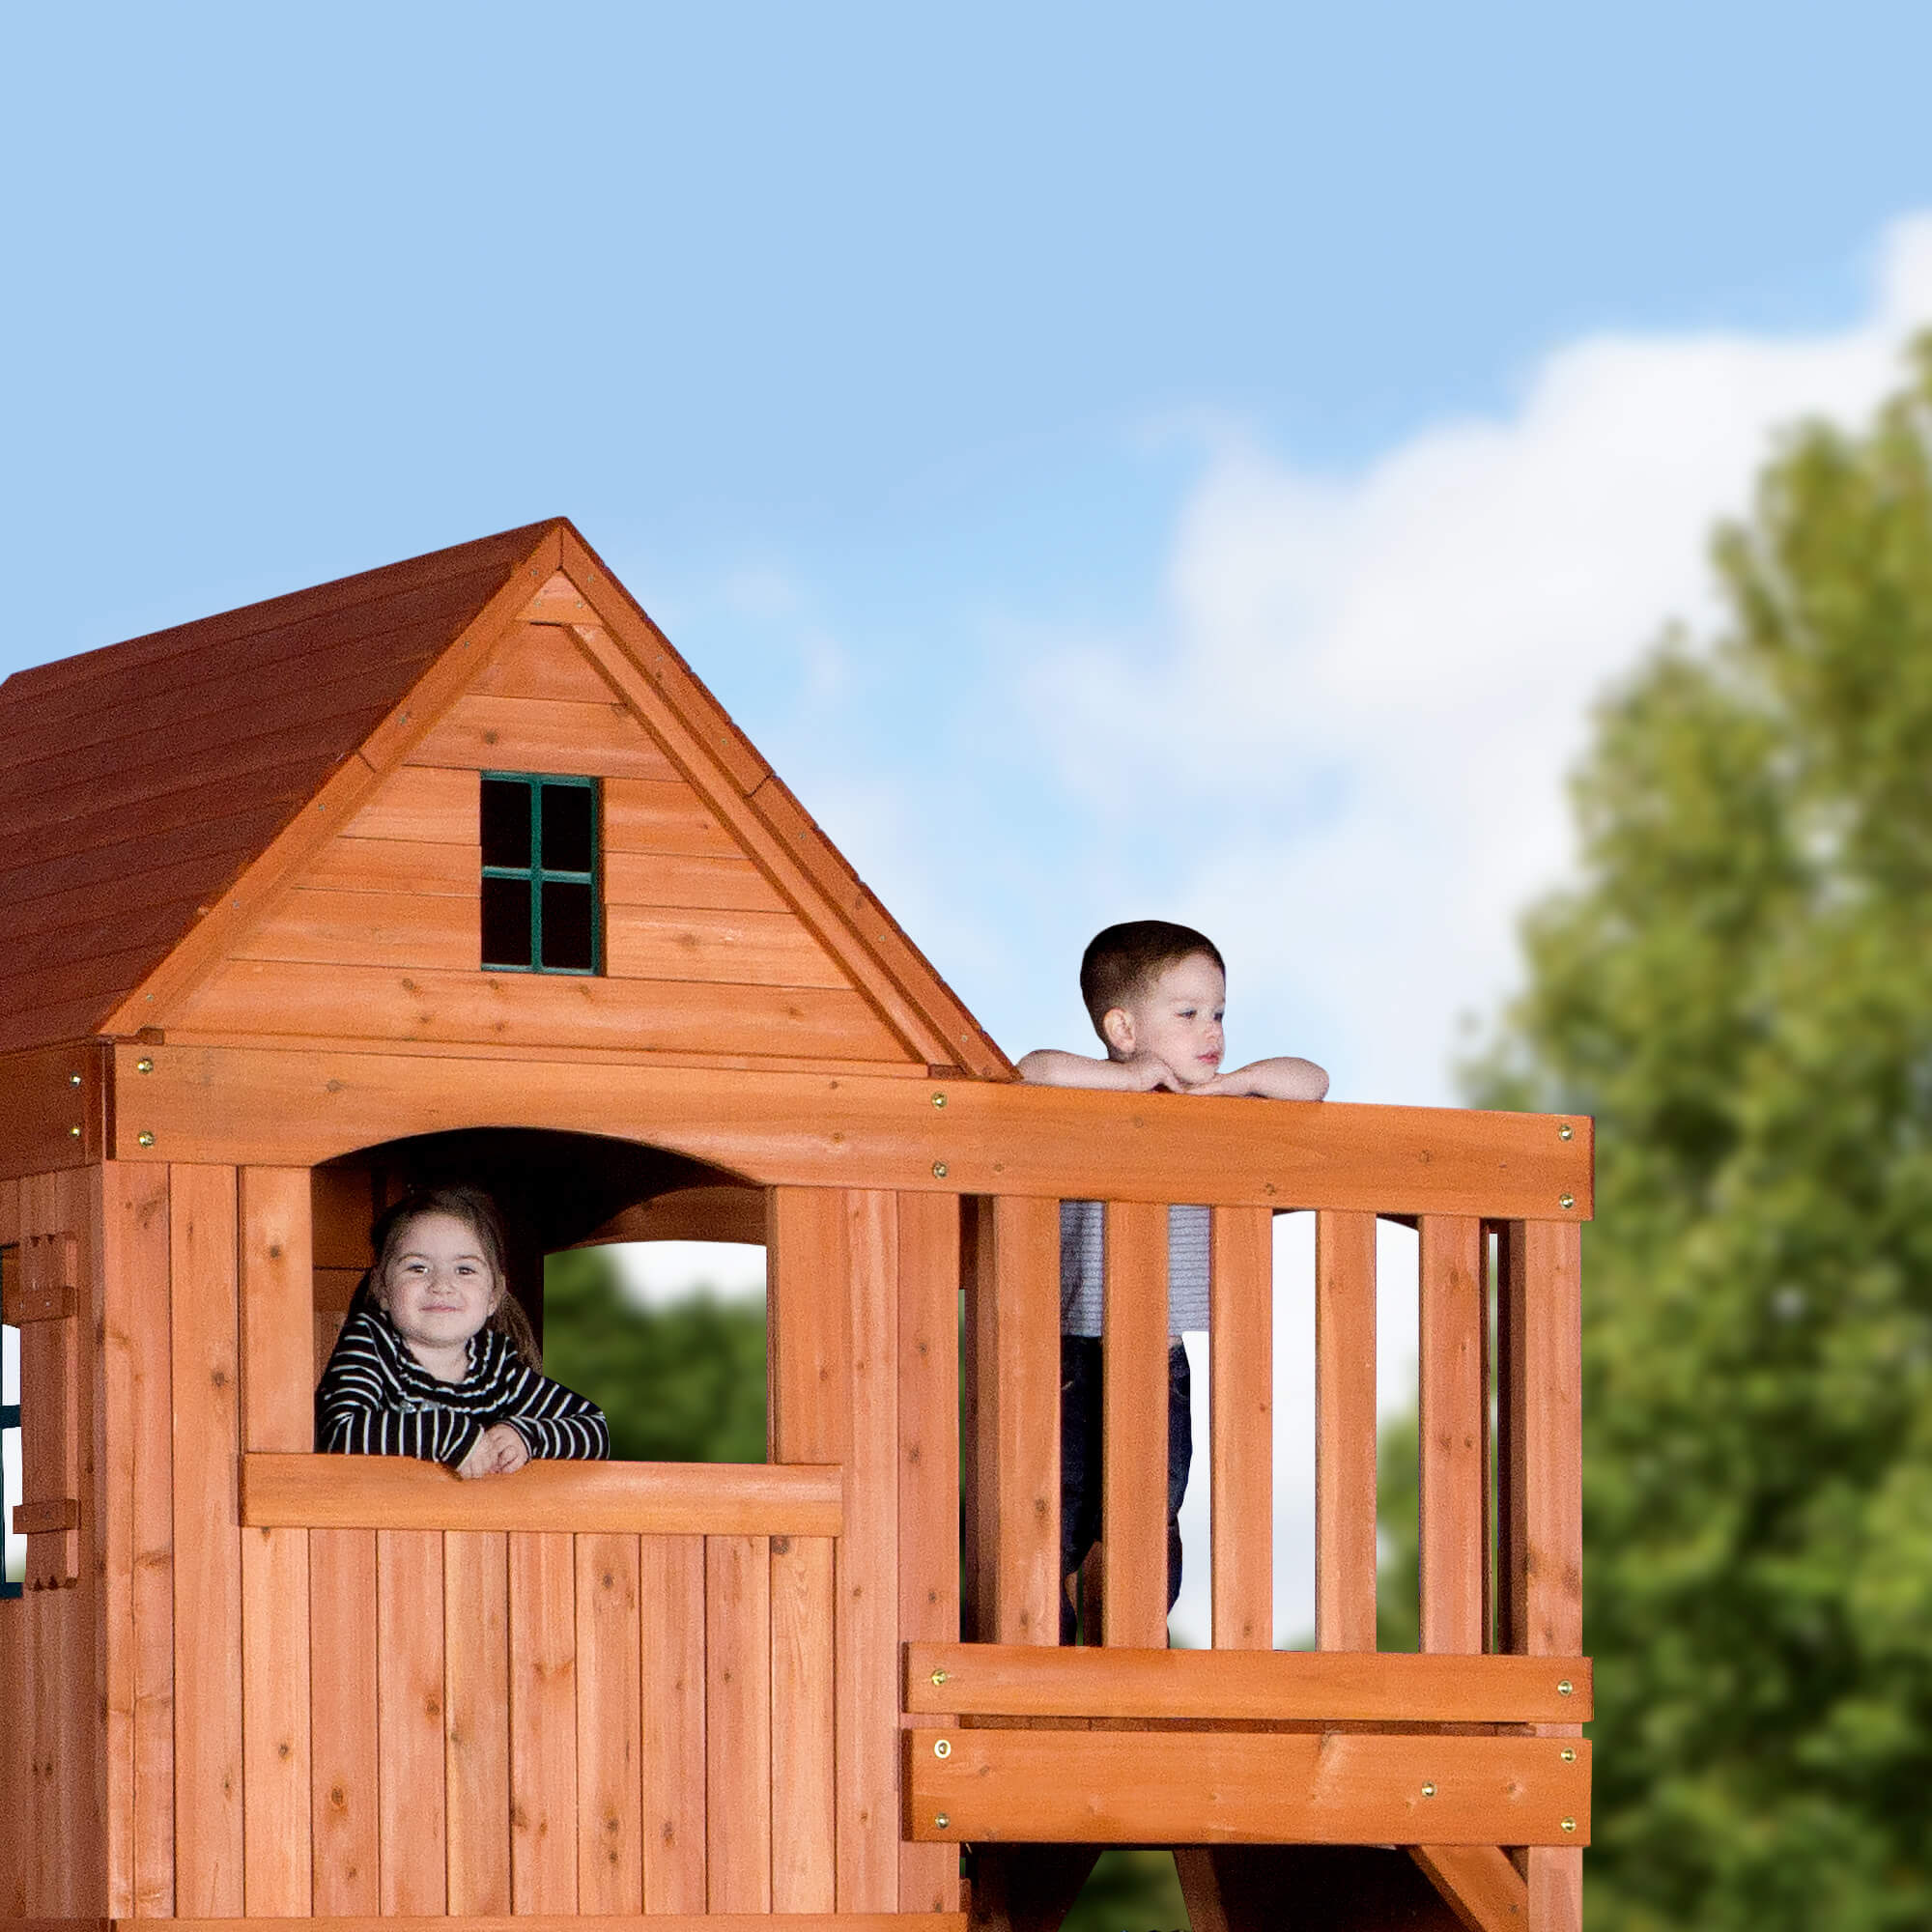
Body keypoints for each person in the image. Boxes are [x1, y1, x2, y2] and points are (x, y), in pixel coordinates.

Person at [1015, 920, 1328, 1640]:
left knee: (1154, 1501)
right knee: (1057, 1498)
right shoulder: (1092, 1092)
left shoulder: (1214, 1112)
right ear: (1122, 1028)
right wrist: (1129, 1081)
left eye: (1219, 1013)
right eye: (1187, 1014)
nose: (1210, 1030)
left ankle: (1134, 1635)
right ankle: (1044, 1636)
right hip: (1068, 1347)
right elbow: (1033, 1068)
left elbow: (1312, 1082)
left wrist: (1235, 1084)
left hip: (1161, 1349)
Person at [315, 1184, 609, 1476]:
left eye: (465, 1270)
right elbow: (339, 1435)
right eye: (418, 1268)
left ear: (493, 1295)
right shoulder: (371, 1342)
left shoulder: (495, 1367)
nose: (442, 1285)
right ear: (382, 1288)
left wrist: (526, 1435)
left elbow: (597, 1429)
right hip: (378, 1517)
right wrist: (446, 1433)